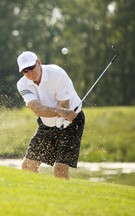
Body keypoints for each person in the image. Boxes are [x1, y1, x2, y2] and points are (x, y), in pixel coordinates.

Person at [16, 51, 85, 179]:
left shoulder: (57, 74)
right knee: (28, 166)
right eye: (25, 70)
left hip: (71, 122)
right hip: (47, 123)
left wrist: (62, 113)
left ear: (39, 62)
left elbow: (64, 104)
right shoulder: (22, 84)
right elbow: (37, 109)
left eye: (31, 67)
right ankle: (38, 195)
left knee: (60, 170)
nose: (30, 73)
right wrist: (60, 112)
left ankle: (63, 197)